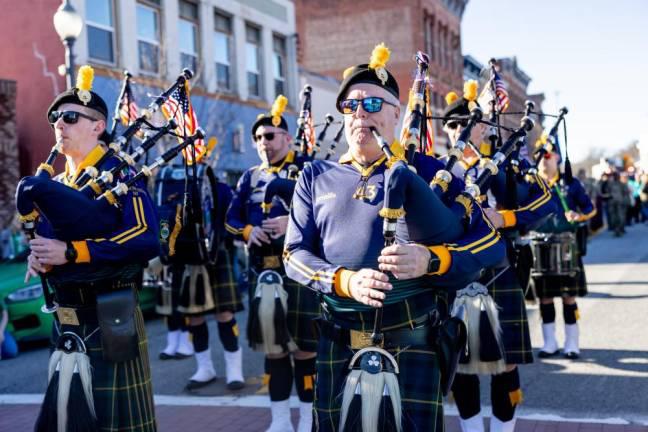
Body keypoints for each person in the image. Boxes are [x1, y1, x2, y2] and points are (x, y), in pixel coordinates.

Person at [283, 44, 506, 431]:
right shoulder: (316, 177)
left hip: (414, 341)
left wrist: (431, 259)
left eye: (372, 104)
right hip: (338, 340)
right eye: (350, 106)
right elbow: (293, 254)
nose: (359, 115)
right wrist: (343, 280)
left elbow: (489, 243)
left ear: (396, 113)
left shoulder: (430, 171)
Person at [24, 66, 158, 431]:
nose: (59, 125)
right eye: (55, 119)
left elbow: (146, 238)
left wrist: (73, 252)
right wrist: (39, 257)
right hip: (65, 315)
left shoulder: (122, 173)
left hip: (110, 312)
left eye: (69, 117)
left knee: (116, 424)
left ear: (98, 126)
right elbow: (49, 241)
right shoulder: (56, 183)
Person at [440, 88, 556, 432]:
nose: (458, 129)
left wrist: (504, 217)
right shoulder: (437, 170)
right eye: (452, 124)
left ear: (483, 125)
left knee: (505, 363)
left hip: (499, 272)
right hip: (454, 273)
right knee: (460, 363)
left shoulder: (510, 163)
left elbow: (546, 201)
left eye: (466, 122)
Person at [226, 95, 319, 432]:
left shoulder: (309, 169)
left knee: (306, 350)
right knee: (274, 350)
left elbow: (326, 217)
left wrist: (292, 222)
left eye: (270, 136)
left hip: (300, 273)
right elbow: (230, 219)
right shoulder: (249, 177)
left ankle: (309, 421)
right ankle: (280, 421)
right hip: (264, 271)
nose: (263, 142)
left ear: (287, 138)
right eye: (258, 138)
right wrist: (248, 230)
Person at [154, 165, 246, 391]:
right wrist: (166, 246)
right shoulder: (167, 186)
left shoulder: (218, 186)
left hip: (214, 254)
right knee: (194, 316)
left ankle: (235, 369)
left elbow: (230, 218)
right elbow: (164, 221)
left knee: (224, 314)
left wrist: (216, 230)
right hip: (186, 255)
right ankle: (205, 367)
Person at [531, 145, 595, 360]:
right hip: (540, 246)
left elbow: (589, 208)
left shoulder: (570, 183)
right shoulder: (531, 184)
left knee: (569, 296)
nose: (543, 160)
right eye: (539, 156)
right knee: (545, 298)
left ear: (557, 157)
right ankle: (549, 342)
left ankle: (572, 343)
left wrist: (578, 216)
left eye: (547, 155)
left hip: (567, 245)